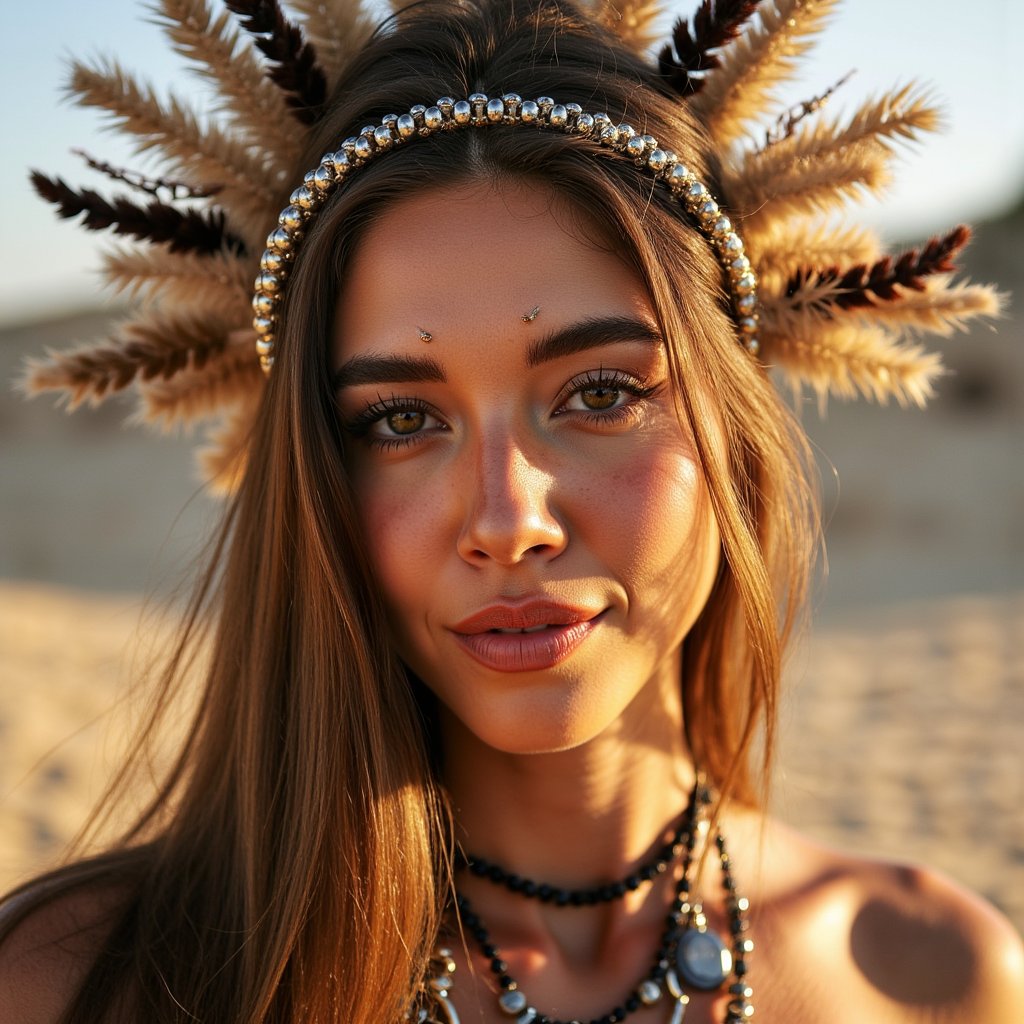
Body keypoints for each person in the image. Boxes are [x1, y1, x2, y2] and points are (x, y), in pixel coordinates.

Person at [1, 0, 1021, 1021]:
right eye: (400, 418)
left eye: (602, 394)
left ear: (737, 425)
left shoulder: (929, 976)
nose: (506, 518)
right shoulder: (76, 987)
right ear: (316, 475)